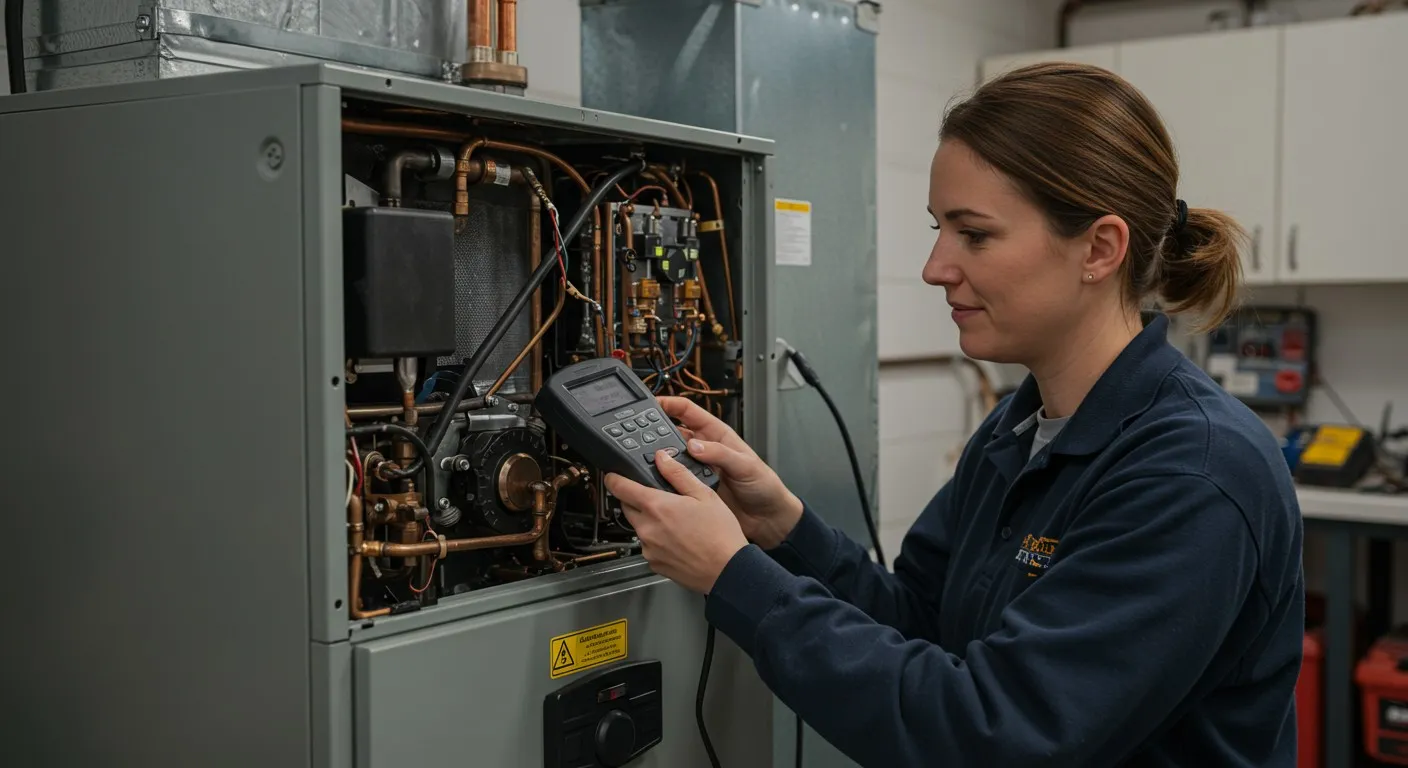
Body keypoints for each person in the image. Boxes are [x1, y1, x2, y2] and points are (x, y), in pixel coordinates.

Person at [604, 62, 1304, 767]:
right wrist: (782, 529)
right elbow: (923, 625)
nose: (935, 266)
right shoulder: (1019, 431)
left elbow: (991, 735)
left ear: (1099, 248)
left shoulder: (1194, 472)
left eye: (974, 235)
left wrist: (734, 577)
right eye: (940, 229)